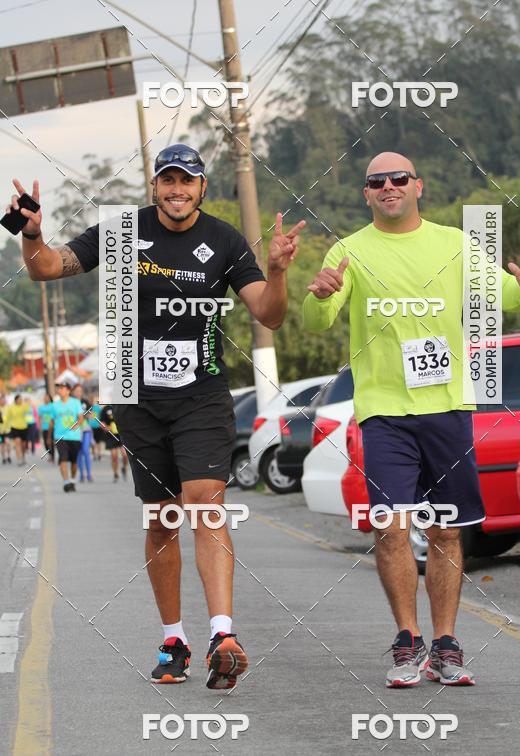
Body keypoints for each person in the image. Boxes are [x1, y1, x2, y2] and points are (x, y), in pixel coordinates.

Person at [13, 143, 304, 689]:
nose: (177, 190)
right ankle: (175, 639)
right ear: (154, 186)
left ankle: (223, 633)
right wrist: (31, 233)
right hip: (137, 397)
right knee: (161, 519)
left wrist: (278, 271)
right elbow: (47, 269)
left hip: (201, 394)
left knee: (204, 500)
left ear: (201, 188)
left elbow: (268, 312)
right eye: (167, 181)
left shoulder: (224, 240)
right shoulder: (122, 232)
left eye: (187, 181)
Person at [303, 151, 520, 688]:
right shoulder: (349, 249)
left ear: (418, 186)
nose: (389, 186)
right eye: (377, 181)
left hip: (446, 408)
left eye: (399, 178)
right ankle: (406, 641)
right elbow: (318, 318)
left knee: (445, 527)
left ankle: (445, 643)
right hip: (385, 414)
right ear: (366, 193)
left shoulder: (454, 243)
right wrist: (319, 295)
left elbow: (500, 293)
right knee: (390, 529)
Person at [49, 380, 84, 492]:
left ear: (68, 390)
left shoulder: (75, 402)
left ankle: (73, 480)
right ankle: (66, 482)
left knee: (74, 462)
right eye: (59, 388)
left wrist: (77, 424)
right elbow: (52, 421)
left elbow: (81, 418)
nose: (60, 390)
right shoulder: (54, 405)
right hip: (60, 436)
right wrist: (48, 437)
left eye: (62, 388)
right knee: (63, 458)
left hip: (74, 437)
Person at [99, 403, 127, 482]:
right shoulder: (106, 408)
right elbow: (101, 422)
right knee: (114, 456)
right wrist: (105, 427)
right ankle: (115, 474)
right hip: (111, 435)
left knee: (125, 455)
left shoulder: (122, 406)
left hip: (121, 434)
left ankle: (124, 468)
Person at [72, 383, 93, 483]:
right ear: (72, 392)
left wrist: (88, 415)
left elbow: (91, 415)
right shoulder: (70, 402)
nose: (78, 393)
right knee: (79, 453)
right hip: (75, 431)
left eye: (80, 391)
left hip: (85, 429)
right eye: (76, 391)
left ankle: (89, 474)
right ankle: (81, 475)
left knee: (86, 451)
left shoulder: (85, 402)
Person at [4, 394, 29, 466]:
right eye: (19, 399)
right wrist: (5, 425)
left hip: (24, 427)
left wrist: (25, 403)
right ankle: (19, 459)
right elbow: (7, 417)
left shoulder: (23, 405)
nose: (20, 400)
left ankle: (23, 457)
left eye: (21, 399)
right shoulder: (11, 407)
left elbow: (27, 410)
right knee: (17, 443)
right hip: (14, 427)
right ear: (16, 400)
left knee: (23, 445)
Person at [37, 392, 55, 463]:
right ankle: (50, 454)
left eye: (47, 397)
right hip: (44, 427)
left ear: (50, 398)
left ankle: (52, 456)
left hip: (52, 427)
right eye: (45, 397)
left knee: (52, 442)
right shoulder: (41, 407)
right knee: (45, 443)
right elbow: (39, 417)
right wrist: (39, 426)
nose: (46, 399)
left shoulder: (53, 405)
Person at [0, 395, 10, 464]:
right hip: (0, 431)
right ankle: (3, 458)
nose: (3, 401)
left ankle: (8, 456)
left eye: (3, 400)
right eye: (1, 400)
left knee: (7, 443)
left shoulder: (8, 408)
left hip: (7, 430)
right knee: (2, 444)